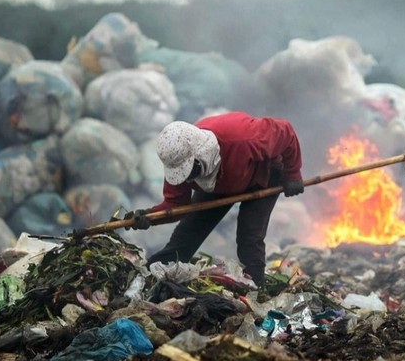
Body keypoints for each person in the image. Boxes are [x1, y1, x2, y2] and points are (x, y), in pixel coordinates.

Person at [128, 111, 304, 286]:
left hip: (263, 175)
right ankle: (153, 276)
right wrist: (149, 217)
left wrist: (292, 174)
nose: (187, 178)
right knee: (189, 231)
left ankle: (255, 288)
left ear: (200, 155)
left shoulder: (243, 138)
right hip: (220, 182)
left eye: (190, 171)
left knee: (249, 237)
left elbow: (286, 132)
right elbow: (176, 205)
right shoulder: (179, 163)